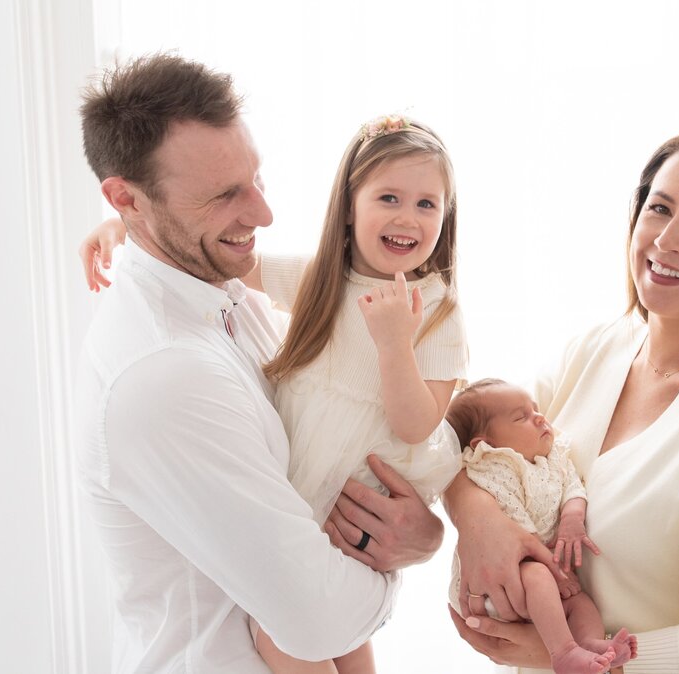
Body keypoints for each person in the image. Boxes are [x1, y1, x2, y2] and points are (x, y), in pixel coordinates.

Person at [73, 54, 443, 674]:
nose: (263, 215)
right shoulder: (163, 375)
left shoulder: (221, 292)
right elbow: (318, 617)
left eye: (256, 180)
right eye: (223, 196)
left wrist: (428, 529)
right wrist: (401, 551)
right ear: (126, 198)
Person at [444, 128, 679, 674]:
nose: (667, 239)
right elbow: (472, 438)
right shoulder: (598, 350)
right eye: (659, 207)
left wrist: (603, 664)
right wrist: (474, 514)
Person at [443, 379, 638, 674]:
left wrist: (572, 519)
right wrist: (556, 573)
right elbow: (512, 526)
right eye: (521, 417)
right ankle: (564, 652)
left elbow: (573, 484)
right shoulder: (497, 466)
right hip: (500, 580)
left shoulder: (553, 456)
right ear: (486, 443)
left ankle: (590, 643)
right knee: (538, 577)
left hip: (541, 576)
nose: (539, 417)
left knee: (580, 602)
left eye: (535, 409)